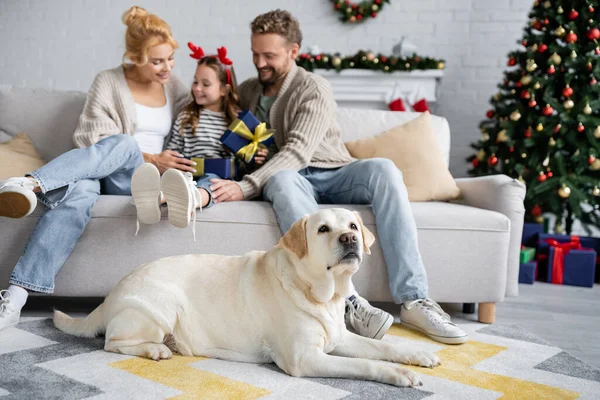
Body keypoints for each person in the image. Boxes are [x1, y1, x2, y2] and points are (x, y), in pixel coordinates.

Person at [208, 10, 468, 344]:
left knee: (384, 169)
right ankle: (349, 304)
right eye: (255, 54)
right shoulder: (248, 91)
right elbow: (221, 119)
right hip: (293, 180)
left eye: (269, 55)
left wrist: (245, 186)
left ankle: (415, 299)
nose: (261, 63)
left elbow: (299, 151)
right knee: (283, 180)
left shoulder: (313, 87)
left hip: (334, 171)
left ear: (293, 51)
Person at [0, 6, 192, 332]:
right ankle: (15, 299)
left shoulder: (174, 87)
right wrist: (149, 155)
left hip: (143, 181)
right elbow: (89, 139)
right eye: (157, 61)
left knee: (127, 145)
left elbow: (197, 124)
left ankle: (31, 184)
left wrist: (157, 162)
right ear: (134, 57)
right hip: (100, 173)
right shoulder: (108, 81)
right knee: (81, 192)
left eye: (170, 58)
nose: (167, 68)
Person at [131, 45, 268, 237]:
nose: (197, 88)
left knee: (210, 181)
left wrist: (255, 157)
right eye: (195, 82)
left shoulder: (237, 122)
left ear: (224, 90)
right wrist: (172, 164)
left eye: (205, 84)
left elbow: (244, 165)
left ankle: (193, 199)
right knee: (174, 179)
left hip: (216, 178)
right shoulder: (186, 116)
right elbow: (173, 150)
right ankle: (157, 198)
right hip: (187, 173)